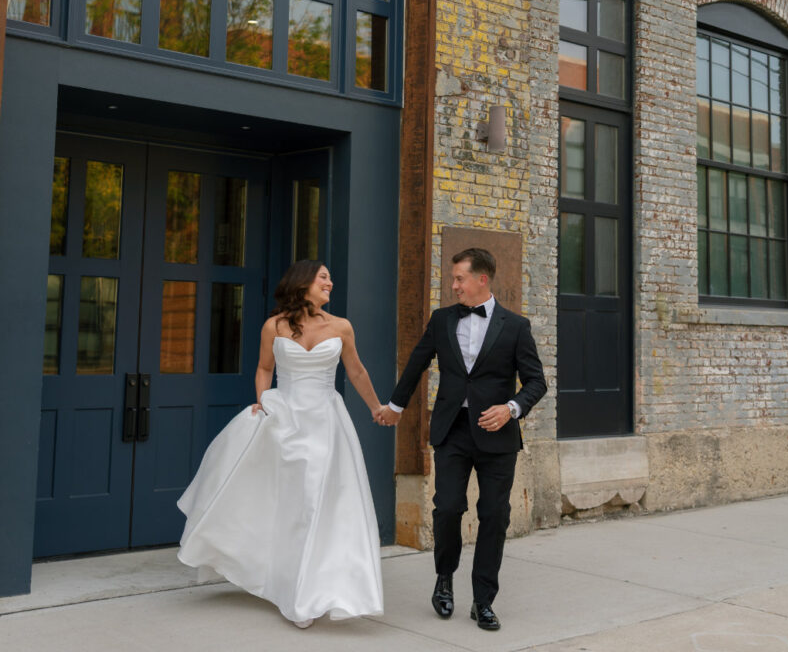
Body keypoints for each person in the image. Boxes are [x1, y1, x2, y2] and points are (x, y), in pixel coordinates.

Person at [177, 260, 388, 628]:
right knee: (289, 505)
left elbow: (356, 371)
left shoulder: (341, 327)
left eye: (329, 277)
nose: (331, 283)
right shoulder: (273, 326)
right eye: (324, 277)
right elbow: (264, 368)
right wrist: (262, 401)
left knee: (317, 502)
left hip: (326, 423)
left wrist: (376, 408)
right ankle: (287, 582)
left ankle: (312, 591)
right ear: (303, 282)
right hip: (286, 420)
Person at [379, 247, 546, 631]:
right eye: (453, 279)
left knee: (494, 516)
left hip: (497, 434)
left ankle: (484, 600)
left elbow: (537, 381)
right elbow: (417, 363)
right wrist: (395, 406)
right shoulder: (441, 321)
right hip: (452, 430)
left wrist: (512, 408)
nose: (453, 285)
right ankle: (444, 578)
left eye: (459, 278)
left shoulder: (516, 326)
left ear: (481, 280)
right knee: (448, 508)